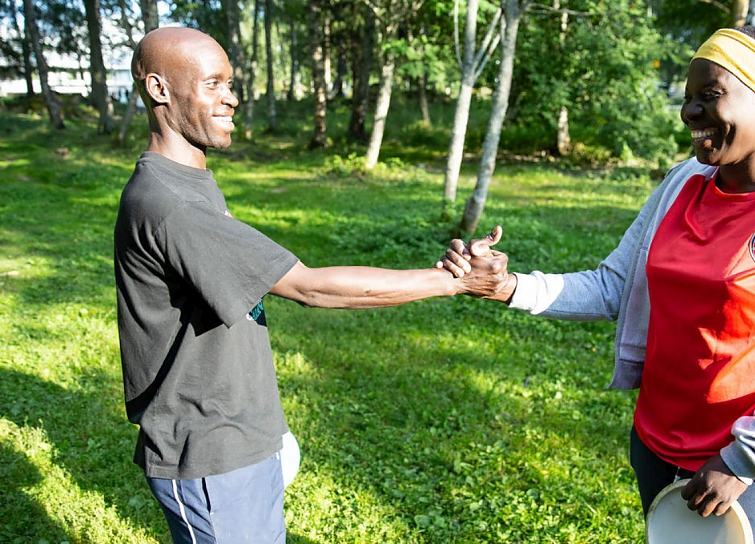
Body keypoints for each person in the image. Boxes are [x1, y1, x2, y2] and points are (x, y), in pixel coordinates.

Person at [439, 26, 755, 544]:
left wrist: (746, 459)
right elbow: (614, 285)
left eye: (710, 95)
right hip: (655, 446)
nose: (689, 112)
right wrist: (508, 286)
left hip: (752, 473)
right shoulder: (683, 183)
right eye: (687, 98)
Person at [114, 27, 510, 544]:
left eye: (231, 83)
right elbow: (308, 286)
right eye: (213, 84)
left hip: (240, 431)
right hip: (208, 451)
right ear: (159, 90)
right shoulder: (171, 205)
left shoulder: (188, 182)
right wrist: (451, 283)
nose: (232, 97)